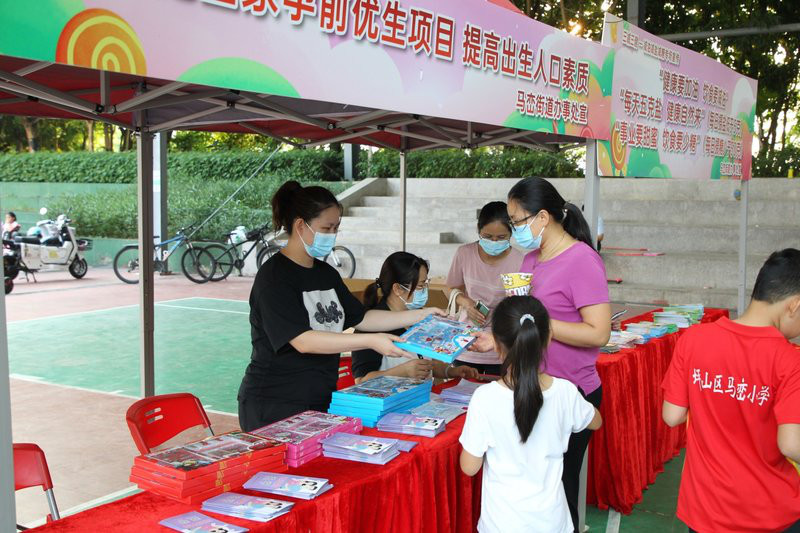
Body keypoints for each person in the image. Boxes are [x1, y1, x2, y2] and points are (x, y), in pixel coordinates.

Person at [238, 181, 442, 431]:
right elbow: (303, 341)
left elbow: (362, 318)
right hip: (274, 403)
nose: (332, 235)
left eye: (336, 228)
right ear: (300, 225)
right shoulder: (274, 277)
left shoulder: (326, 273)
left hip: (320, 398)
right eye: (327, 228)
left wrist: (421, 314)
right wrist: (371, 341)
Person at [472, 177, 611, 530]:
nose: (514, 230)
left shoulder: (582, 260)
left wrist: (544, 325)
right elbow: (523, 318)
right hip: (529, 384)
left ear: (543, 217)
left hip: (566, 389)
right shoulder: (531, 258)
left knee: (559, 490)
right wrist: (495, 337)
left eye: (517, 221)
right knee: (529, 488)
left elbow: (599, 332)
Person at [662, 248, 800, 533]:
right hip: (768, 513)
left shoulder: (694, 339)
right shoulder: (790, 360)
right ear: (795, 305)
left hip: (705, 509)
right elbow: (790, 444)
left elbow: (672, 415)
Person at [459, 296, 602, 533]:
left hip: (502, 524)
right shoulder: (565, 391)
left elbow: (469, 467)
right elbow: (595, 421)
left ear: (497, 345)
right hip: (553, 523)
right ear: (548, 338)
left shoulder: (485, 398)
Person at [353, 251, 479, 383]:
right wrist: (402, 372)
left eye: (426, 284)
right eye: (420, 286)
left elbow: (427, 363)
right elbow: (361, 381)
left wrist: (451, 371)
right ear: (397, 289)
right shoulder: (370, 326)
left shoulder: (421, 318)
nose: (425, 290)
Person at [446, 201, 523, 376]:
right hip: (466, 343)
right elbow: (451, 288)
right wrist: (467, 304)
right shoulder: (464, 253)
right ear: (478, 230)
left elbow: (520, 306)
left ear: (511, 233)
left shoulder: (520, 261)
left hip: (500, 346)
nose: (494, 242)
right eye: (488, 236)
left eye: (501, 237)